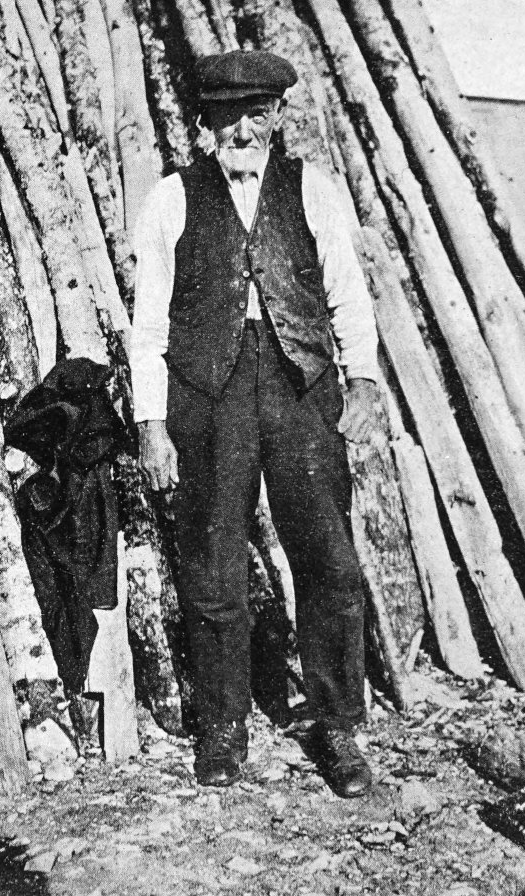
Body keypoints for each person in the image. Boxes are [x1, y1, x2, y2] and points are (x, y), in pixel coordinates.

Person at [130, 50, 380, 796]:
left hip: (301, 384)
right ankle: (223, 726)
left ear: (276, 118)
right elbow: (147, 327)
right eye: (227, 113)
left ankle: (337, 727)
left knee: (329, 558)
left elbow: (348, 294)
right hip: (208, 388)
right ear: (204, 122)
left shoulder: (315, 192)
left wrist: (362, 377)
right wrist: (151, 423)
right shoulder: (171, 200)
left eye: (257, 112)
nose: (242, 127)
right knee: (213, 560)